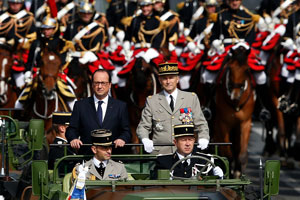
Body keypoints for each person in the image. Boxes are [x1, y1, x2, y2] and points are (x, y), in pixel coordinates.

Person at [136, 62, 209, 154]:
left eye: (171, 77)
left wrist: (204, 137)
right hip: (161, 154)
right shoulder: (152, 101)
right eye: (164, 78)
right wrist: (145, 139)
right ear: (159, 80)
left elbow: (201, 123)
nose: (168, 81)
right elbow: (143, 126)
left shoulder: (190, 98)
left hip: (185, 153)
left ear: (177, 79)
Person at [66, 69, 132, 154]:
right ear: (92, 84)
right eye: (97, 83)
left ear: (109, 85)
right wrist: (73, 139)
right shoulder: (80, 106)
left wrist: (122, 139)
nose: (100, 86)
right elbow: (71, 129)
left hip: (113, 157)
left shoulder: (120, 106)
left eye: (103, 83)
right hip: (87, 157)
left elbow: (127, 131)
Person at [154, 124, 223, 179]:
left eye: (190, 140)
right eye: (183, 140)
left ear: (194, 141)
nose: (187, 144)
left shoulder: (205, 161)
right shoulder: (164, 162)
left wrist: (220, 178)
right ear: (175, 142)